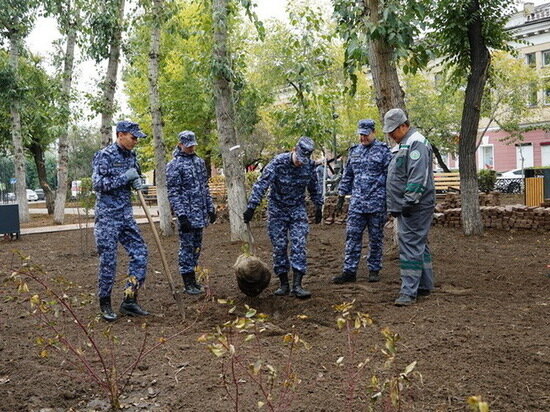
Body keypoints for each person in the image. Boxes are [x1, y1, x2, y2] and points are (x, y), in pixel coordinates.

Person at [242, 136, 323, 299]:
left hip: (297, 209)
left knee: (299, 243)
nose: (300, 162)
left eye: (304, 160)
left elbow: (314, 187)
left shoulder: (308, 166)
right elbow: (261, 184)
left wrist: (318, 205)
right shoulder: (277, 163)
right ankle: (284, 283)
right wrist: (251, 206)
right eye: (299, 158)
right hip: (277, 210)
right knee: (279, 246)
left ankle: (298, 284)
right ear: (294, 150)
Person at [92, 120, 149, 321]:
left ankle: (129, 300)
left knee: (140, 253)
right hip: (107, 217)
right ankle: (105, 303)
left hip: (126, 216)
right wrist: (124, 178)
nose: (136, 142)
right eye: (133, 138)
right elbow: (98, 184)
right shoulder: (104, 155)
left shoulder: (132, 156)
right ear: (121, 134)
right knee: (109, 260)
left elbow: (133, 178)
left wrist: (137, 182)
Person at [383, 108, 435, 306]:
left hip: (415, 205)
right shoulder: (405, 144)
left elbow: (417, 175)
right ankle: (424, 285)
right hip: (409, 203)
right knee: (419, 243)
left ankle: (408, 292)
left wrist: (408, 201)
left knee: (410, 244)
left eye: (393, 131)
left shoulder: (416, 143)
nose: (390, 135)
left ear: (404, 126)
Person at [332, 119, 392, 284]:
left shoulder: (383, 151)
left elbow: (390, 177)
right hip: (357, 204)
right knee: (352, 237)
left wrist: (390, 201)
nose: (363, 138)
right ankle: (349, 271)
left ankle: (374, 269)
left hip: (377, 203)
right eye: (361, 134)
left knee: (376, 238)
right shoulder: (354, 151)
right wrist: (341, 196)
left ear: (374, 133)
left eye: (366, 134)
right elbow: (348, 175)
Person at [166, 131, 216, 295]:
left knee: (196, 247)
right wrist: (181, 215)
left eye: (193, 144)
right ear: (180, 144)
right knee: (186, 248)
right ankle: (188, 281)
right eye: (188, 145)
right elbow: (174, 192)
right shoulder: (174, 165)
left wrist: (210, 207)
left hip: (200, 213)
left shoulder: (199, 162)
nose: (191, 147)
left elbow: (204, 187)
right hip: (187, 215)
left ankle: (193, 280)